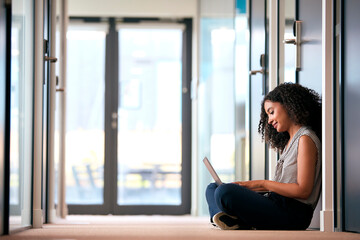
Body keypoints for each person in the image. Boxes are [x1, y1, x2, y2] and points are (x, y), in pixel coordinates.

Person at [205, 83, 322, 230]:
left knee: (224, 192)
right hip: (277, 203)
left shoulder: (305, 139)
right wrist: (247, 187)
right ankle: (230, 220)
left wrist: (262, 184)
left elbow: (303, 191)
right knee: (213, 188)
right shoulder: (289, 142)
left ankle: (232, 219)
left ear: (288, 106)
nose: (269, 120)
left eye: (271, 112)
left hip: (293, 214)